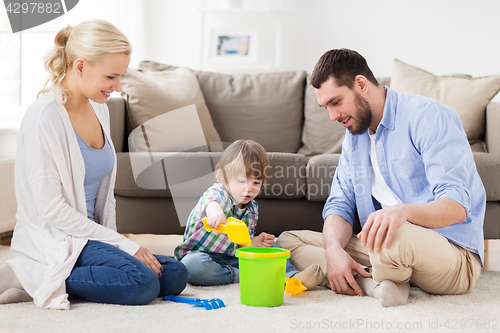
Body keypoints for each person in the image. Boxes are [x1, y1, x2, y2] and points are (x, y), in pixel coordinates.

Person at [0, 19, 187, 310]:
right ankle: (36, 276)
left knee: (175, 274)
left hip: (91, 238)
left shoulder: (99, 108)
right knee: (143, 283)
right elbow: (52, 210)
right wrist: (123, 245)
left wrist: (116, 243)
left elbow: (105, 195)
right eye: (111, 77)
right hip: (59, 239)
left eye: (121, 77)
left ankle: (53, 278)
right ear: (81, 67)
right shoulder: (43, 119)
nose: (118, 87)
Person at [277, 49, 485, 307]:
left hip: (451, 254)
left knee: (391, 235)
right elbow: (340, 205)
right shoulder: (353, 138)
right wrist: (333, 251)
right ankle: (377, 284)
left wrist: (401, 213)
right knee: (286, 240)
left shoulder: (428, 116)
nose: (332, 116)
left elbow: (456, 207)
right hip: (384, 247)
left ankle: (379, 277)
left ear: (361, 84)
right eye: (326, 107)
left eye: (336, 102)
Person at [174, 139, 324, 289]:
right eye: (242, 181)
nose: (249, 189)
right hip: (203, 255)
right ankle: (252, 275)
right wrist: (216, 214)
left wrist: (256, 242)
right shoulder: (218, 192)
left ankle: (292, 276)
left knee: (272, 246)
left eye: (256, 183)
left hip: (233, 257)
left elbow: (244, 244)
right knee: (192, 266)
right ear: (225, 178)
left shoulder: (251, 209)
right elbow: (212, 201)